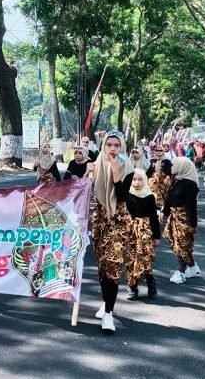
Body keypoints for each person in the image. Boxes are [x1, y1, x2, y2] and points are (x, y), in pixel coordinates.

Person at [87, 131, 135, 333]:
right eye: (109, 145)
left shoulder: (128, 167)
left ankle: (108, 314)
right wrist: (86, 174)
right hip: (100, 219)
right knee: (102, 265)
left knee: (114, 265)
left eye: (117, 145)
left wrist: (116, 174)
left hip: (118, 219)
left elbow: (123, 195)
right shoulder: (95, 165)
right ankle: (106, 301)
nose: (113, 149)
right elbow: (84, 192)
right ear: (104, 146)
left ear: (122, 147)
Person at [161, 157, 200, 284]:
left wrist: (192, 224)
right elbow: (169, 198)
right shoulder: (177, 180)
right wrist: (164, 212)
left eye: (175, 164)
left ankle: (181, 272)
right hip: (174, 217)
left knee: (182, 245)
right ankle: (193, 267)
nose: (173, 166)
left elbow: (191, 206)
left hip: (184, 219)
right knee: (177, 244)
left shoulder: (189, 184)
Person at [123, 168, 160, 300]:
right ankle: (133, 287)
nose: (137, 182)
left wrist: (156, 236)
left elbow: (153, 217)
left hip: (144, 230)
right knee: (130, 258)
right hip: (129, 230)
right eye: (134, 179)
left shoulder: (149, 196)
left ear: (144, 180)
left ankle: (151, 283)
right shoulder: (126, 194)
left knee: (145, 258)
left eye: (140, 179)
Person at [146, 144, 172, 209]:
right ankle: (156, 208)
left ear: (163, 151)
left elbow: (170, 171)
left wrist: (167, 177)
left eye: (160, 150)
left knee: (164, 195)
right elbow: (149, 171)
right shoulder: (152, 160)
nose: (158, 152)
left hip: (164, 181)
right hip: (154, 181)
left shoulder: (167, 161)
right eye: (156, 150)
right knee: (154, 194)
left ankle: (163, 209)